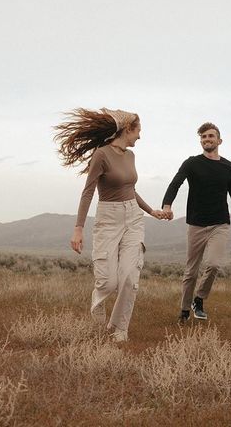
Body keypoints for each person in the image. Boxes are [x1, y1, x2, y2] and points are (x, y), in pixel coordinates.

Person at [54, 107, 168, 342]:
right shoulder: (102, 154)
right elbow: (88, 192)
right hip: (108, 218)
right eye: (138, 131)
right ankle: (98, 308)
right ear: (128, 130)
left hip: (133, 218)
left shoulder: (130, 156)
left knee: (129, 277)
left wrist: (151, 211)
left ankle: (119, 329)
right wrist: (78, 228)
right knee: (108, 281)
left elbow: (130, 190)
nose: (140, 136)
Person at [161, 122, 231, 323]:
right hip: (196, 224)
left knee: (214, 264)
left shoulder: (230, 168)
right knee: (191, 271)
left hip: (220, 224)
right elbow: (175, 183)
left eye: (210, 136)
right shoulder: (191, 163)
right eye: (203, 137)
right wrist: (167, 205)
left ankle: (199, 299)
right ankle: (184, 310)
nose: (207, 140)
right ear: (201, 141)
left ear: (219, 140)